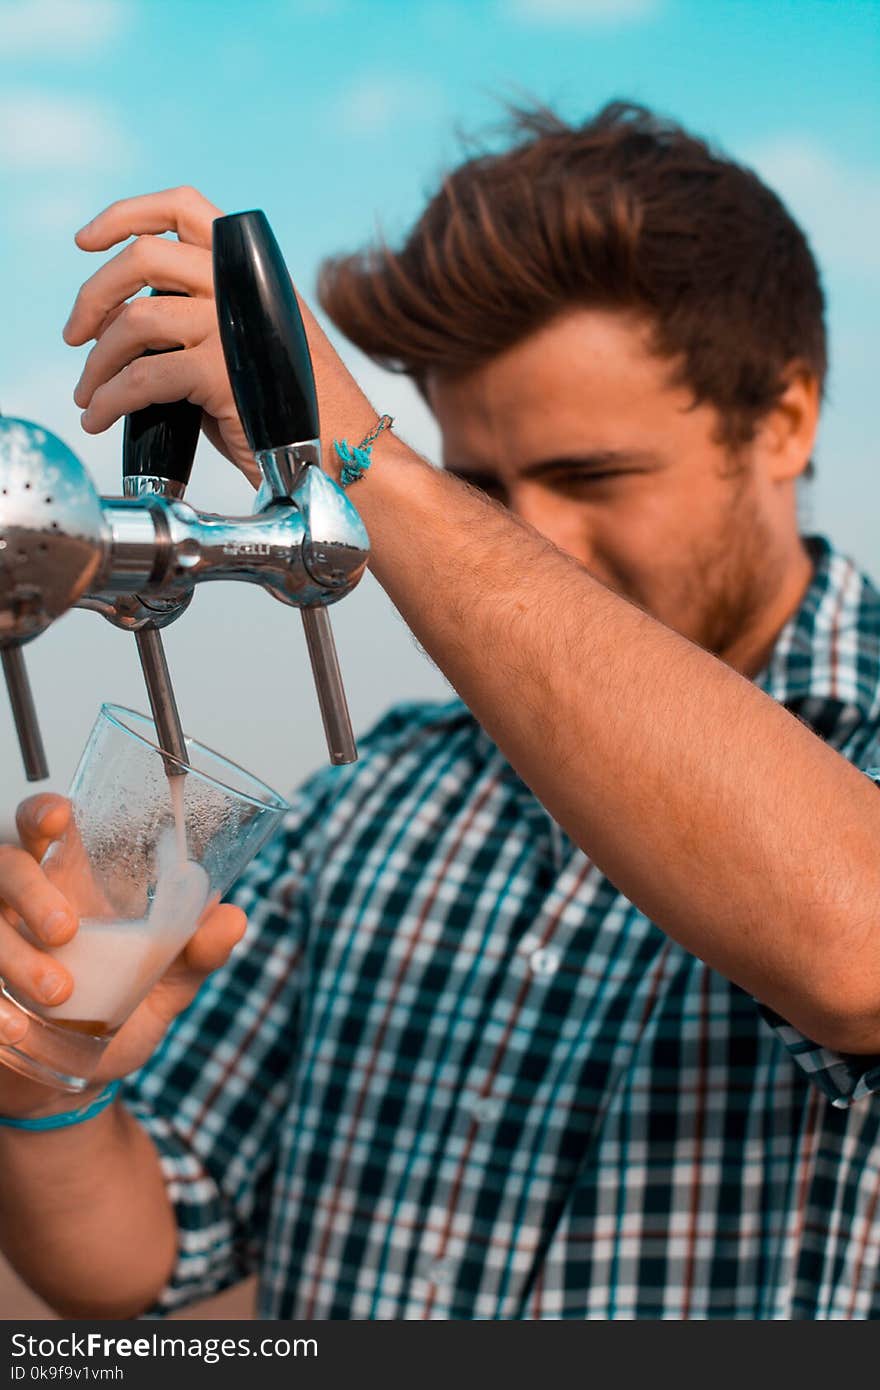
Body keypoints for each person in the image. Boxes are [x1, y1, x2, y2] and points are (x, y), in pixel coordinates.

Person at [1, 102, 879, 1320]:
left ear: (783, 419)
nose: (537, 538)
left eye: (590, 475)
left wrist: (358, 459)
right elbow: (141, 1260)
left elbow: (856, 947)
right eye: (483, 486)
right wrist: (51, 1086)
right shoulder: (374, 799)